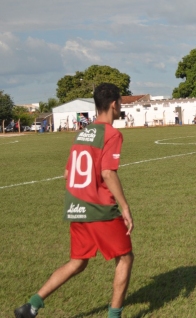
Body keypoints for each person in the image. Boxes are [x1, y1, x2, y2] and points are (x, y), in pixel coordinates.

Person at [14, 83, 134, 318]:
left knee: (78, 262)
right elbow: (108, 173)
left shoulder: (83, 132)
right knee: (125, 257)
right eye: (120, 102)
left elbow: (68, 173)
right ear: (114, 104)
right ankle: (114, 315)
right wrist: (126, 207)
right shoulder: (112, 134)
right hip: (99, 209)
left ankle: (32, 305)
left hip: (76, 206)